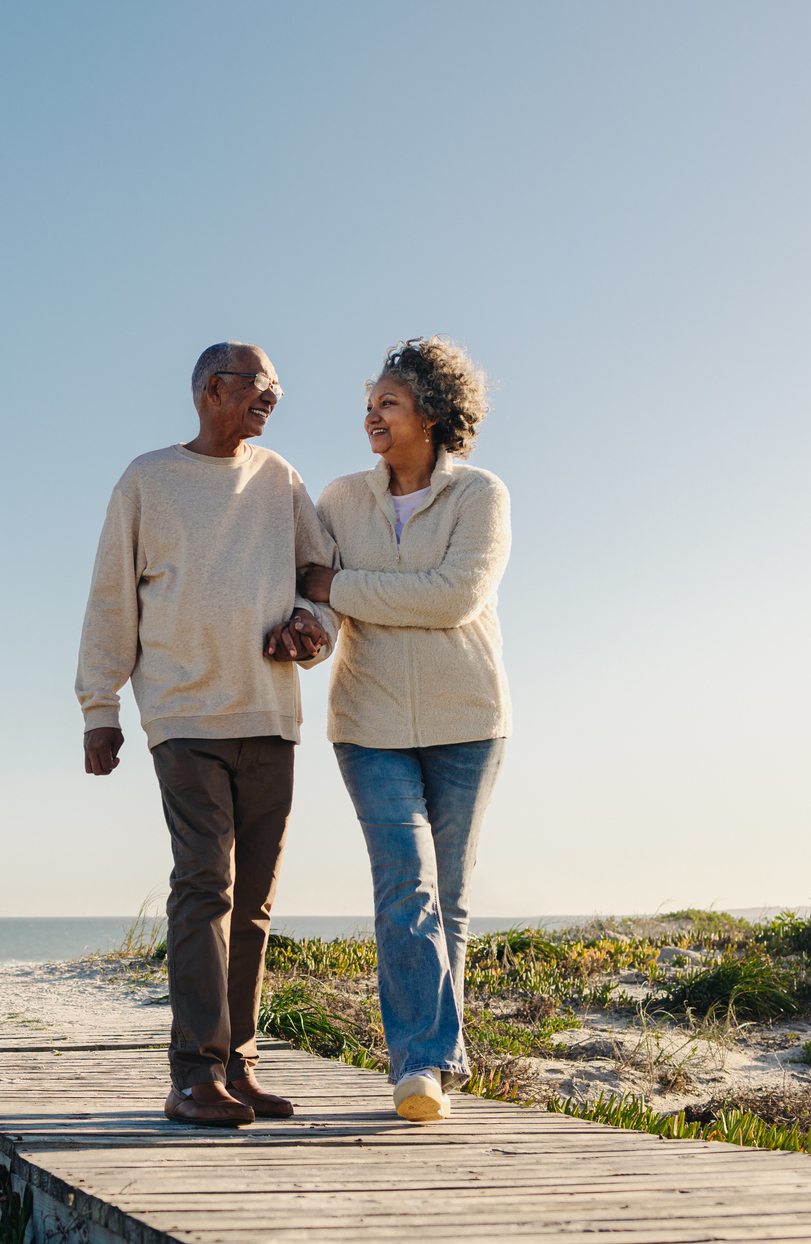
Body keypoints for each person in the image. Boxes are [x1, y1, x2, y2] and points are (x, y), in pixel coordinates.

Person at [77, 341, 336, 1127]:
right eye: (261, 385)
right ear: (211, 388)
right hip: (184, 719)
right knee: (204, 887)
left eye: (277, 388)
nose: (273, 398)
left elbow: (318, 575)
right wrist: (99, 708)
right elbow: (110, 596)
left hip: (269, 715)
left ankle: (238, 1067)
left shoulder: (279, 478)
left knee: (251, 903)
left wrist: (310, 623)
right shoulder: (147, 479)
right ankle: (192, 1074)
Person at [297, 337, 510, 1123]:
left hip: (468, 721)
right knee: (405, 887)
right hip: (368, 721)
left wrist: (343, 585)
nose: (370, 417)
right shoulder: (338, 500)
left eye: (386, 402)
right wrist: (312, 620)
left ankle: (438, 1064)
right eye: (367, 404)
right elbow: (316, 597)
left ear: (431, 411)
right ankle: (417, 1065)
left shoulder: (480, 495)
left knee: (446, 897)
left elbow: (453, 598)